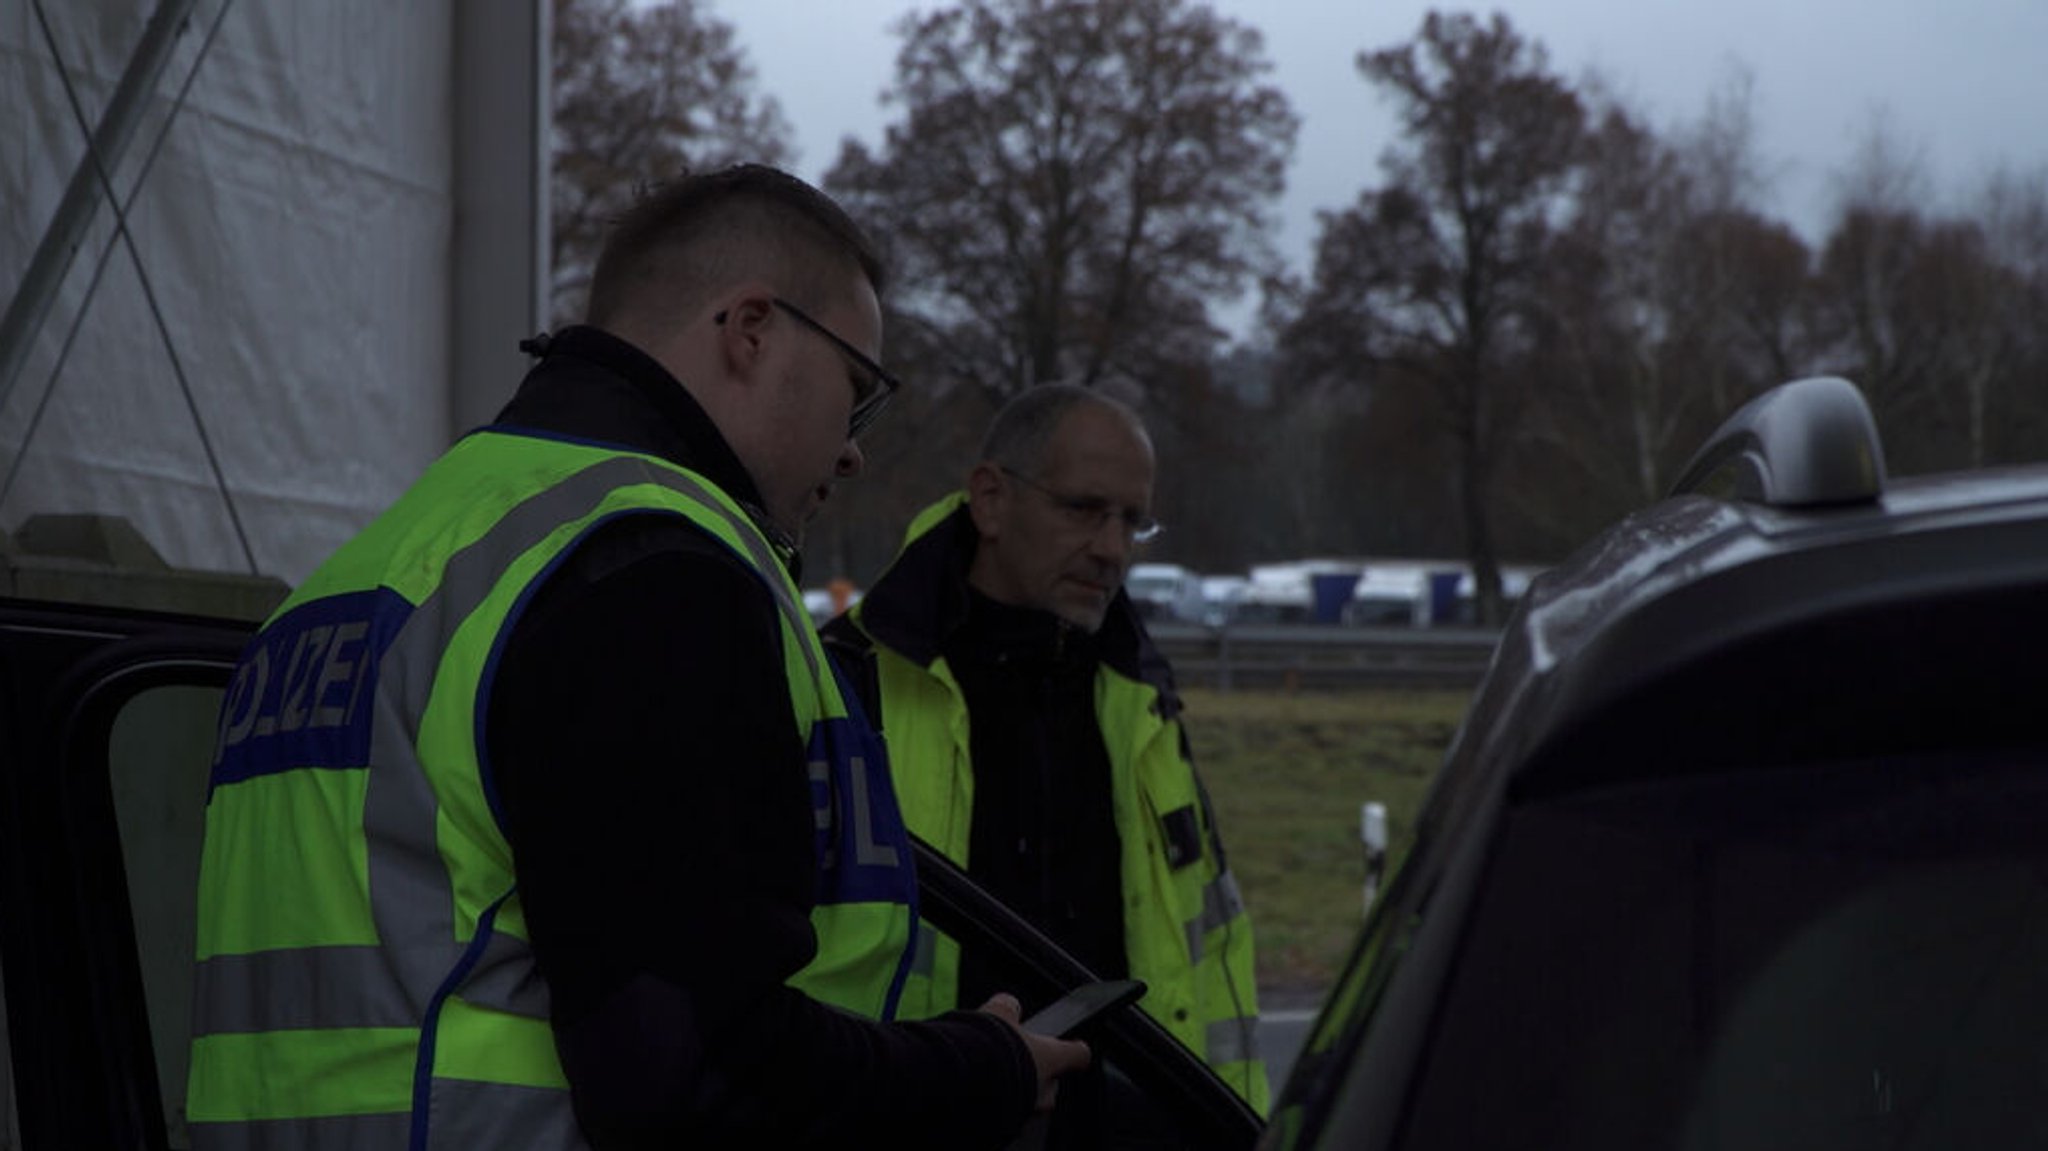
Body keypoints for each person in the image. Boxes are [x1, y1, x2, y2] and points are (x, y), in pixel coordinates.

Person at [186, 163, 1087, 1148]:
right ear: (750, 328)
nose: (851, 449)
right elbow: (697, 1069)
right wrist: (978, 1069)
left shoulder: (375, 570)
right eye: (855, 391)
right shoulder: (651, 571)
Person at [823, 384, 1270, 1117]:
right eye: (1083, 509)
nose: (1112, 548)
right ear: (991, 499)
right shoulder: (848, 681)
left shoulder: (1142, 702)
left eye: (1134, 521)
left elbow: (1213, 965)